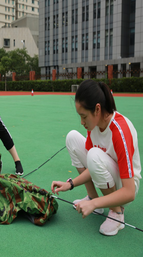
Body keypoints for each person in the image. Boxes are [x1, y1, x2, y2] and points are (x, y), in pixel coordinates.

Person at [51, 79, 141, 236]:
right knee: (72, 137)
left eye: (84, 116)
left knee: (93, 155)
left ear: (97, 109)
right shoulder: (93, 126)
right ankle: (93, 198)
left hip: (126, 185)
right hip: (105, 170)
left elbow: (130, 192)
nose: (81, 122)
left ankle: (117, 213)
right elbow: (92, 167)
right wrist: (70, 184)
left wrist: (94, 204)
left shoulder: (119, 131)